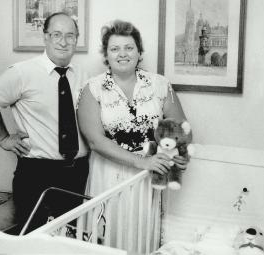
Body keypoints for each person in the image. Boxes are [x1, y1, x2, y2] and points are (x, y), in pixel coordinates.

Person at [77, 20, 192, 252]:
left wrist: (181, 153)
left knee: (141, 236)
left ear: (139, 52)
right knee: (108, 237)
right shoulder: (92, 88)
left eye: (129, 48)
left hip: (149, 177)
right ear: (106, 55)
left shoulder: (159, 85)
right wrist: (143, 162)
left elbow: (180, 128)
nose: (122, 54)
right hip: (107, 175)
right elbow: (95, 141)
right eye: (115, 49)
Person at [0, 12, 89, 232]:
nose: (63, 42)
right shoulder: (21, 72)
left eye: (70, 35)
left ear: (77, 38)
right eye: (56, 34)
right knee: (32, 238)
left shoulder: (83, 75)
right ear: (45, 37)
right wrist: (2, 138)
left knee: (70, 238)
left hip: (77, 173)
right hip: (36, 173)